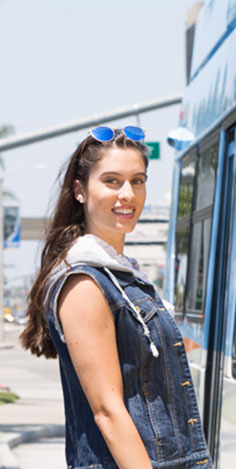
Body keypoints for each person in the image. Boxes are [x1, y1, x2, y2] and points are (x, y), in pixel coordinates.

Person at [20, 126, 212, 469]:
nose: (128, 194)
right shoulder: (84, 283)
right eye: (112, 181)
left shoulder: (125, 277)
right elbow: (108, 413)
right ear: (80, 190)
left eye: (137, 181)